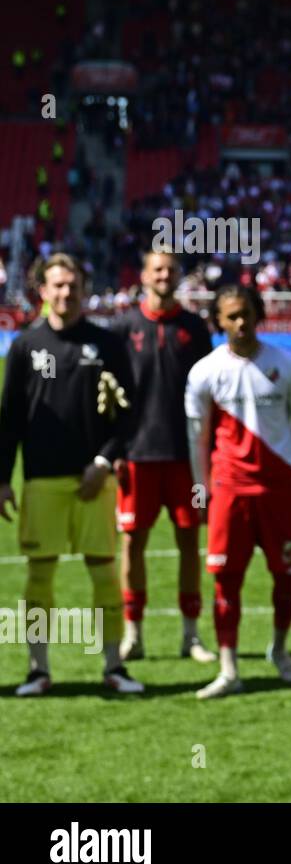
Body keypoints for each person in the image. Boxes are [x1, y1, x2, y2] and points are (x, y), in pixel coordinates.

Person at [0, 253, 143, 695]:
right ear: (42, 291)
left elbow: (130, 414)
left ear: (84, 288)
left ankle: (114, 667)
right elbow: (10, 419)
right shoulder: (24, 346)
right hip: (42, 480)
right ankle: (38, 670)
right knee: (39, 576)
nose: (65, 293)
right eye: (57, 285)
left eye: (73, 285)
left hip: (94, 480)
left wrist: (103, 462)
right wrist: (3, 478)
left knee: (103, 573)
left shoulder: (107, 344)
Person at [184, 285, 291, 699]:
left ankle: (279, 650)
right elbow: (197, 437)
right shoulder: (204, 371)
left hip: (279, 490)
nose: (240, 323)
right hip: (228, 490)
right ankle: (228, 667)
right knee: (226, 580)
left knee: (286, 576)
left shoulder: (289, 365)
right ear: (219, 321)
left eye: (246, 313)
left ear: (258, 314)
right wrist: (200, 488)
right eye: (231, 316)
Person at [111, 249, 216, 662]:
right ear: (144, 274)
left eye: (171, 270)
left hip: (185, 459)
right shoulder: (123, 328)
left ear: (178, 277)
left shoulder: (194, 328)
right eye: (157, 269)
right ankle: (133, 634)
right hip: (136, 456)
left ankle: (190, 635)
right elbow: (108, 398)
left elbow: (210, 398)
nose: (164, 275)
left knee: (190, 542)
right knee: (132, 542)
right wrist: (114, 450)